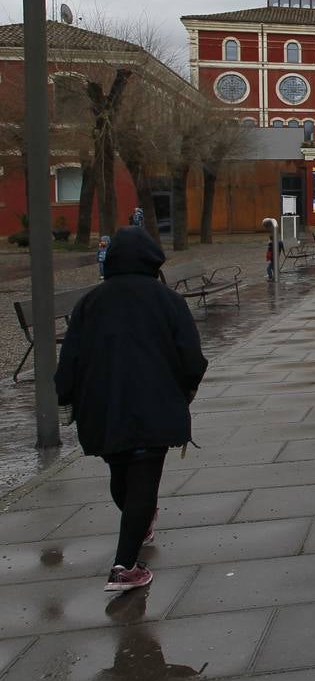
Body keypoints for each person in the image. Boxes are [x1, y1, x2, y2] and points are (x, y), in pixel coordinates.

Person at [55, 227, 209, 592]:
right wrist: (186, 389)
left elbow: (70, 357)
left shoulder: (90, 303)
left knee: (122, 472)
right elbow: (191, 358)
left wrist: (66, 397)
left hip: (102, 407)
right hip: (154, 403)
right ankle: (124, 565)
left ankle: (137, 526)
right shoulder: (167, 301)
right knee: (144, 475)